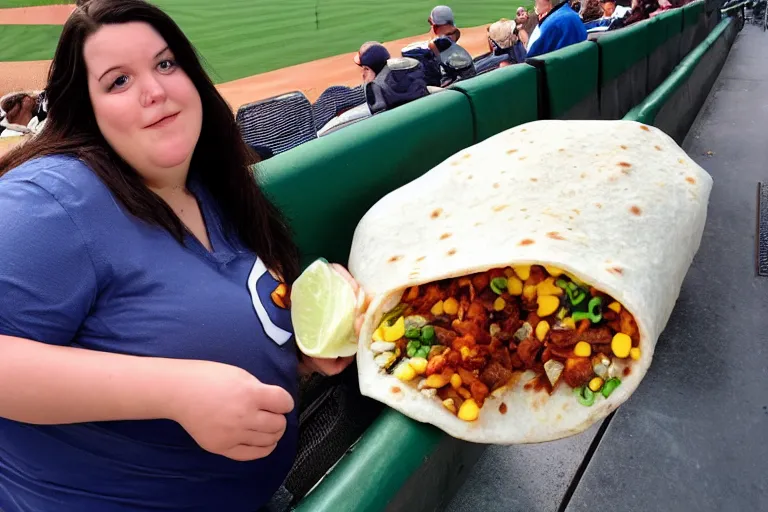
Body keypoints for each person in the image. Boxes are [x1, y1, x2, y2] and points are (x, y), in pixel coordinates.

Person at [0, 0, 363, 510]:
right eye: (118, 81)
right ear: (86, 108)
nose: (155, 90)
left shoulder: (209, 186)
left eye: (166, 64)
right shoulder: (52, 197)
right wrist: (175, 392)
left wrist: (300, 344)